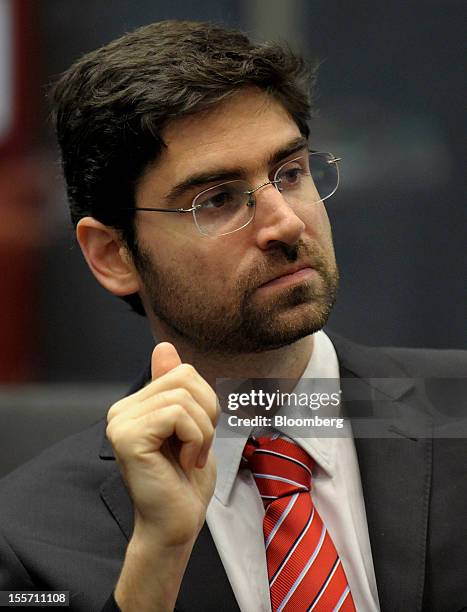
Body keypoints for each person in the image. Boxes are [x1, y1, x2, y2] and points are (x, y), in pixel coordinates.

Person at [0, 20, 466, 612]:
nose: (286, 224)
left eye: (290, 174)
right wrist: (155, 564)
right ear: (114, 255)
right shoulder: (23, 541)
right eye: (217, 199)